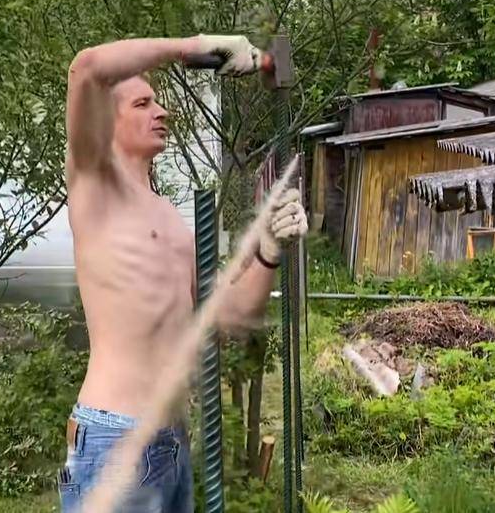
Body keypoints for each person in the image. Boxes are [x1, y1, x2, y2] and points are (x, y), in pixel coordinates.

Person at [59, 35, 308, 512]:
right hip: (114, 439)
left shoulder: (171, 219)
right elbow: (86, 67)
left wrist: (269, 251)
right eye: (143, 103)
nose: (162, 112)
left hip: (170, 442)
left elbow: (231, 315)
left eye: (158, 102)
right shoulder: (94, 187)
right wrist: (197, 48)